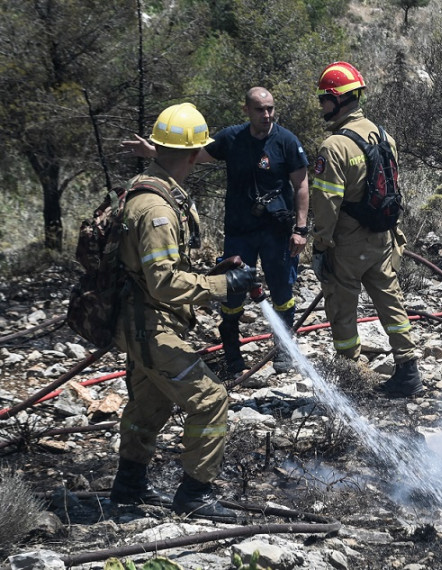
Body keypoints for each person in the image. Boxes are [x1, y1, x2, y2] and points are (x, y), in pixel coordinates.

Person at [110, 103, 259, 521]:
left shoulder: (150, 189)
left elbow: (158, 271)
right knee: (210, 399)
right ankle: (195, 493)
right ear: (194, 154)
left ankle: (129, 486)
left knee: (150, 404)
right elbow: (162, 282)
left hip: (142, 320)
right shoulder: (157, 209)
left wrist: (216, 273)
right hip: (148, 325)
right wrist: (222, 287)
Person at [123, 87, 310, 377]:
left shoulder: (287, 141)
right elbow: (190, 156)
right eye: (260, 109)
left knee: (282, 291)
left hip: (276, 231)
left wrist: (301, 229)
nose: (267, 115)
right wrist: (154, 151)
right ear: (246, 110)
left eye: (270, 108)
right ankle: (232, 352)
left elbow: (301, 185)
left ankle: (283, 349)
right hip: (240, 230)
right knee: (231, 291)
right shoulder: (231, 138)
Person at [309, 61, 423, 398]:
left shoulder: (334, 147)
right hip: (382, 238)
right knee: (390, 300)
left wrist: (321, 245)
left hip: (347, 244)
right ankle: (408, 370)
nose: (321, 106)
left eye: (324, 99)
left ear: (338, 99)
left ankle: (351, 378)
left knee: (342, 309)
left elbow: (326, 204)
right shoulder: (384, 136)